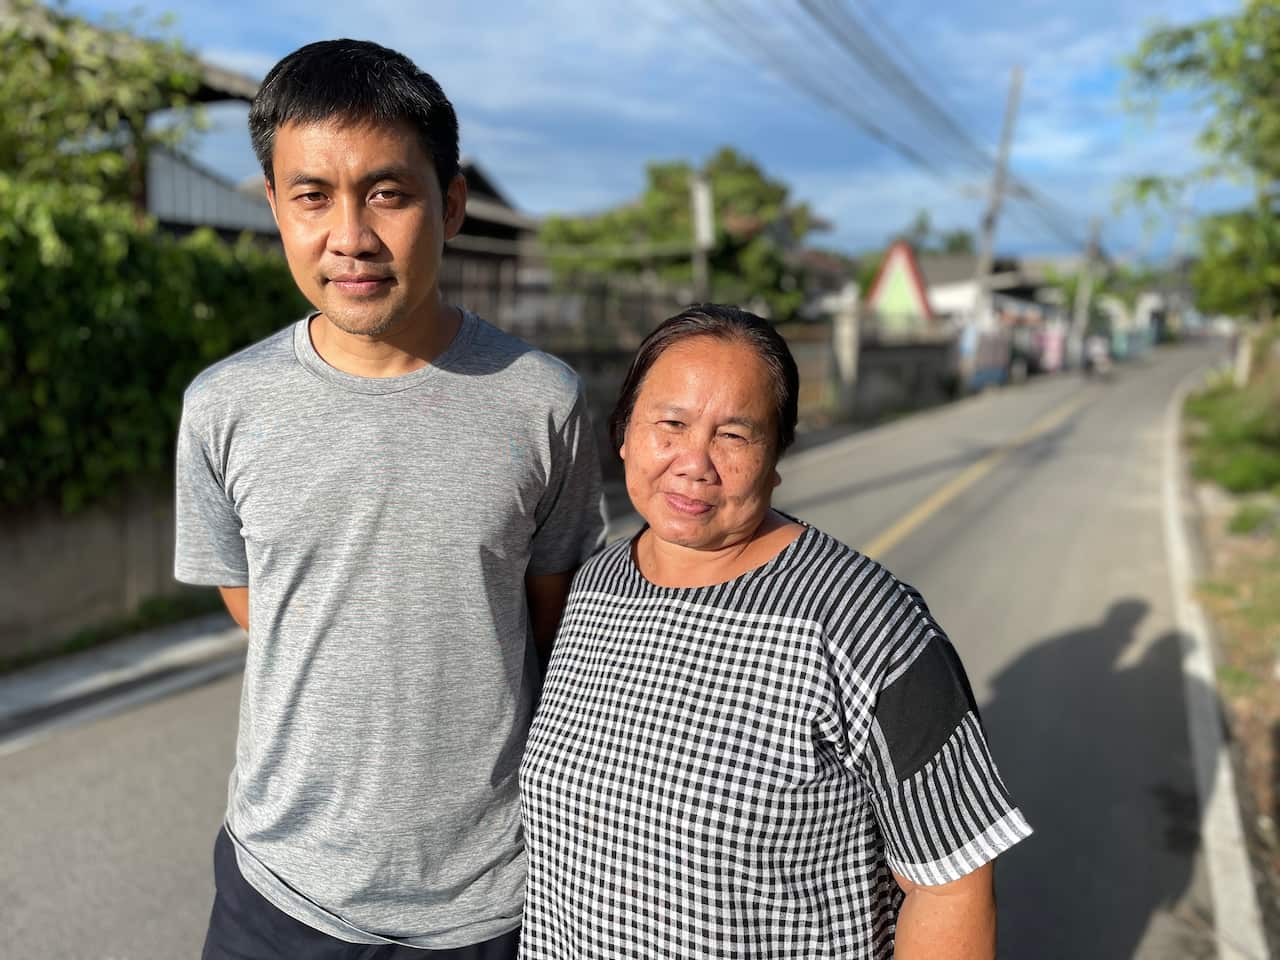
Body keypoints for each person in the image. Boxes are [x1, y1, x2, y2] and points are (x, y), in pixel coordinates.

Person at [174, 39, 605, 960]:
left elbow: (551, 623)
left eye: (387, 193)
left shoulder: (542, 401)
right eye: (312, 196)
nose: (351, 237)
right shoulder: (221, 407)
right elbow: (261, 605)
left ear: (450, 204)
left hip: (491, 904)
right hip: (277, 893)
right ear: (274, 206)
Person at [520, 304, 1031, 959]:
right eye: (670, 424)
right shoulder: (592, 588)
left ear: (778, 455)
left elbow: (950, 883)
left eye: (735, 435)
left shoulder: (868, 621)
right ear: (623, 433)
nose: (694, 463)